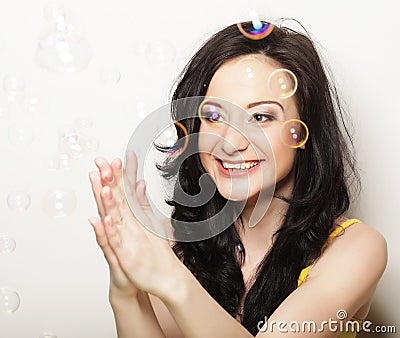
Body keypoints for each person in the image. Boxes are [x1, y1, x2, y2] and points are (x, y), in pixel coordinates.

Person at [88, 20, 387, 337]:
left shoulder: (355, 248)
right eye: (215, 116)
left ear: (305, 131)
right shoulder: (166, 244)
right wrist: (124, 291)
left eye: (260, 117)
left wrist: (170, 277)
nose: (231, 141)